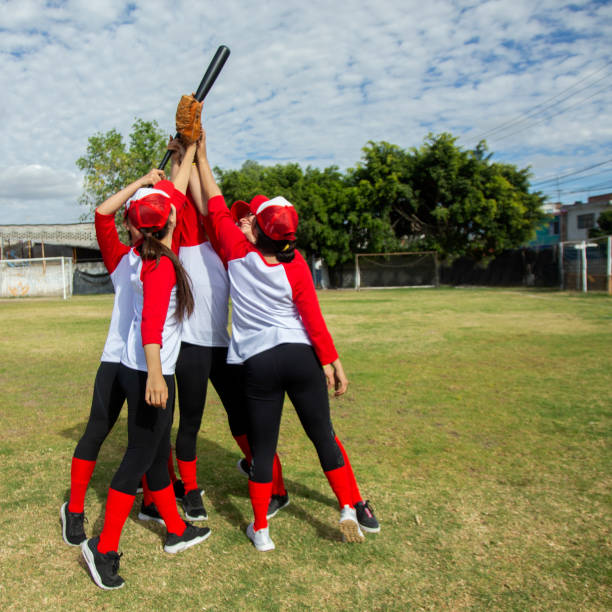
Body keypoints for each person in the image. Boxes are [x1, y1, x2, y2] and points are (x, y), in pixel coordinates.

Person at [194, 129, 379, 551]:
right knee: (324, 436)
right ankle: (349, 504)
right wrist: (334, 362)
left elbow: (214, 198)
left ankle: (261, 531)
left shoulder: (236, 251)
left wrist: (202, 155)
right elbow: (313, 319)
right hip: (301, 357)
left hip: (259, 363)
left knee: (262, 450)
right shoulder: (295, 265)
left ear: (257, 229)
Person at [81, 142, 211, 591]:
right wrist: (157, 376)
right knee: (138, 457)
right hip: (149, 373)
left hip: (133, 369)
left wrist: (189, 151)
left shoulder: (139, 254)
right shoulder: (158, 266)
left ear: (136, 228)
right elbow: (152, 328)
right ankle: (104, 548)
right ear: (171, 223)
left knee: (158, 453)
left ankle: (176, 530)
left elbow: (169, 198)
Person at [60, 167, 162, 547]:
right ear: (129, 223)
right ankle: (73, 509)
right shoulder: (120, 257)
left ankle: (152, 502)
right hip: (115, 361)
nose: (142, 228)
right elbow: (102, 213)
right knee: (97, 432)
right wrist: (141, 181)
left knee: (148, 438)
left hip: (145, 366)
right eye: (136, 221)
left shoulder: (164, 255)